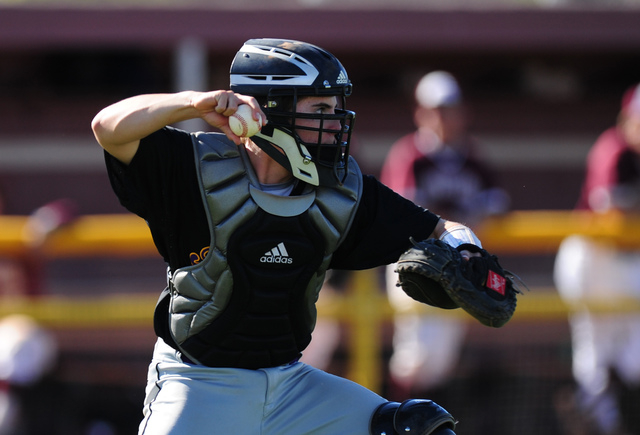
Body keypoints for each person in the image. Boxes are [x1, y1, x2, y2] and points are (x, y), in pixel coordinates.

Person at [90, 38, 491, 435]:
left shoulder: (343, 191)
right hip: (199, 383)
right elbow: (108, 127)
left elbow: (440, 228)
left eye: (336, 108)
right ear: (269, 109)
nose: (335, 122)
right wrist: (193, 102)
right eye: (319, 108)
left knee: (419, 427)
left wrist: (468, 252)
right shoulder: (195, 167)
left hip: (292, 387)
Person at [380, 71, 509, 400]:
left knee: (442, 360)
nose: (442, 118)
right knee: (415, 356)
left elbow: (498, 204)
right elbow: (405, 209)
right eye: (435, 109)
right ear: (420, 113)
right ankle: (396, 417)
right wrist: (462, 217)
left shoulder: (473, 156)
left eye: (449, 109)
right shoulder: (409, 155)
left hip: (458, 267)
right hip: (414, 264)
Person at [554, 83, 640, 435]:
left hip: (623, 263)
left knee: (631, 358)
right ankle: (593, 419)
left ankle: (597, 415)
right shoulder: (614, 148)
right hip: (591, 257)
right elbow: (614, 208)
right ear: (626, 119)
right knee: (596, 349)